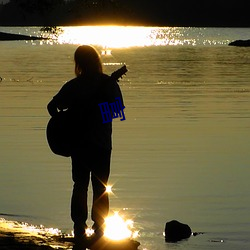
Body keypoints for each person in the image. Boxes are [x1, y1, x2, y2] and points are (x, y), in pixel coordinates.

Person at [47, 45, 124, 244]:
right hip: (101, 144)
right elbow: (117, 111)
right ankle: (99, 229)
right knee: (101, 187)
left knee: (79, 185)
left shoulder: (74, 85)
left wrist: (65, 121)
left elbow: (51, 106)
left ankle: (79, 228)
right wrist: (98, 113)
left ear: (79, 63)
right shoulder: (108, 84)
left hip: (79, 144)